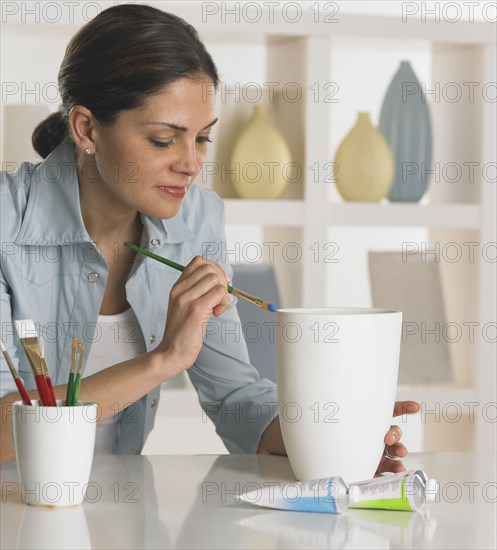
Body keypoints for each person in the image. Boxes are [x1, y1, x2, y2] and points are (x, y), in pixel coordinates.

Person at [0, 4, 419, 465]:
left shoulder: (197, 218)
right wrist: (162, 360)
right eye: (164, 140)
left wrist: (330, 433)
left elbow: (236, 397)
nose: (192, 163)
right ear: (86, 128)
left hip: (126, 520)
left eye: (202, 138)